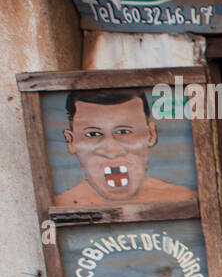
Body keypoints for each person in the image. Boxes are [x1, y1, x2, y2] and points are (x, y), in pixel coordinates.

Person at [53, 88, 196, 205]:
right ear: (71, 141)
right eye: (93, 134)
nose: (111, 150)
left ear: (151, 134)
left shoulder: (187, 200)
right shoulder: (60, 207)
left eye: (123, 132)